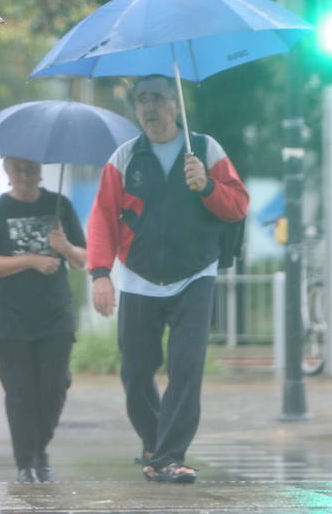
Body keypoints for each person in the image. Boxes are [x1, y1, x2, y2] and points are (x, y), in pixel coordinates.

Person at [87, 75, 249, 484]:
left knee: (186, 367)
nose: (150, 107)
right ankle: (154, 442)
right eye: (142, 100)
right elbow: (103, 219)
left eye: (158, 98)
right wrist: (101, 274)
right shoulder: (124, 158)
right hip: (139, 277)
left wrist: (207, 185)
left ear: (177, 105)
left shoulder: (206, 150)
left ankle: (171, 456)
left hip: (195, 274)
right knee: (136, 372)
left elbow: (238, 206)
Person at [0, 157, 86, 483]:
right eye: (19, 170)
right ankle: (27, 461)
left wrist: (64, 246)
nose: (25, 176)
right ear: (8, 172)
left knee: (54, 387)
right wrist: (32, 261)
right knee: (21, 390)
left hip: (54, 314)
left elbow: (84, 259)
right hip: (8, 316)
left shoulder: (60, 206)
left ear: (41, 172)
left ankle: (39, 448)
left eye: (32, 170)